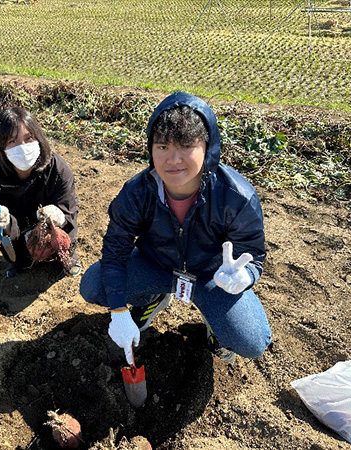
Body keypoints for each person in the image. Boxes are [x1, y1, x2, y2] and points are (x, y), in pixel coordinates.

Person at [79, 92, 272, 365]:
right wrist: (119, 311)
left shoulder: (236, 196)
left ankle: (216, 328)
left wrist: (245, 275)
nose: (173, 159)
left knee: (251, 339)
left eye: (185, 146)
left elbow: (252, 251)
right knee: (93, 285)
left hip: (212, 276)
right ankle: (152, 297)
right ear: (150, 148)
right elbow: (115, 251)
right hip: (156, 264)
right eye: (162, 147)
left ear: (208, 147)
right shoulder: (138, 193)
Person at [0, 107, 81, 278]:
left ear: (38, 137)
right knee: (18, 259)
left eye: (28, 138)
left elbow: (69, 209)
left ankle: (68, 257)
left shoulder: (58, 169)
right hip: (21, 228)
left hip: (53, 226)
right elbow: (0, 217)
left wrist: (58, 214)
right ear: (0, 146)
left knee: (62, 245)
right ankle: (21, 261)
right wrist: (3, 221)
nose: (22, 147)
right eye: (12, 141)